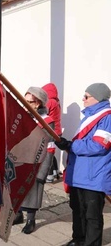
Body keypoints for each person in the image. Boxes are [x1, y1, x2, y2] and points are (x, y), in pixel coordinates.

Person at [55, 83, 111, 246]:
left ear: (98, 98)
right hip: (79, 174)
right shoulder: (89, 116)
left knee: (92, 215)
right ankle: (78, 240)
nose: (83, 99)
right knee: (77, 211)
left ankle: (92, 243)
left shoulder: (107, 118)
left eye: (86, 96)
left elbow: (99, 145)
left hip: (94, 175)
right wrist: (66, 144)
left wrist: (71, 145)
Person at [13, 87, 54, 234]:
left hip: (36, 162)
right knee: (16, 188)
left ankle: (31, 219)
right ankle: (17, 215)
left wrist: (43, 171)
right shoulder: (23, 116)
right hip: (19, 160)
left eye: (29, 102)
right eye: (24, 101)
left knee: (32, 191)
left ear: (38, 103)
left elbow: (49, 147)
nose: (25, 104)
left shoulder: (47, 121)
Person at [42, 83, 62, 183]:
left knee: (47, 153)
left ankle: (49, 175)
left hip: (50, 130)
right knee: (51, 152)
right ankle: (55, 171)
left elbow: (42, 113)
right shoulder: (56, 102)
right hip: (56, 131)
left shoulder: (49, 102)